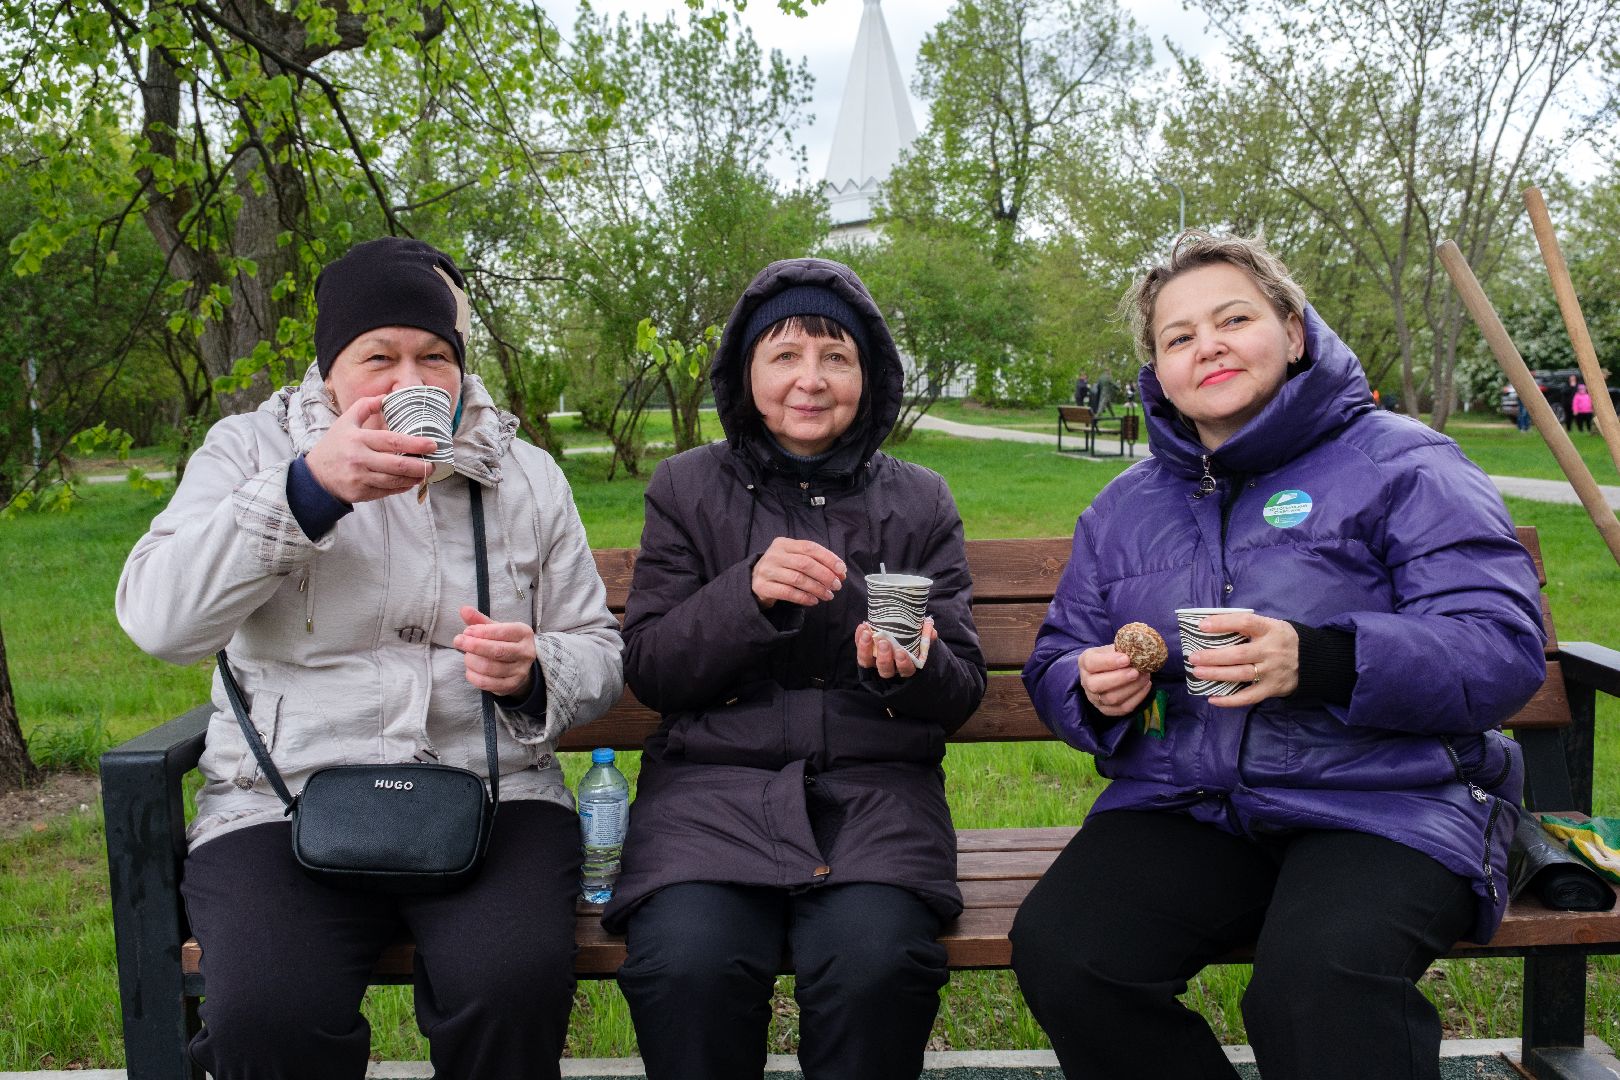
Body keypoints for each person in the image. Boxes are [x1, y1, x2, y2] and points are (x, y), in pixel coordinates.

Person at [1012, 231, 1546, 1080]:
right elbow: (1057, 658)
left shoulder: (1403, 462)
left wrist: (1322, 660)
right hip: (1192, 802)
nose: (1208, 345)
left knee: (1316, 986)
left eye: (1234, 318)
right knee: (1068, 953)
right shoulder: (1122, 508)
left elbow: (1503, 647)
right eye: (1178, 336)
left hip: (1386, 799)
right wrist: (1086, 686)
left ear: (1293, 332)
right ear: (1158, 371)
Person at [115, 238, 625, 1080]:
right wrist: (307, 489)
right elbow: (160, 619)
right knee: (270, 1011)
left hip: (494, 795)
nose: (410, 380)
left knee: (510, 985)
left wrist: (538, 671)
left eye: (434, 357)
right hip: (280, 801)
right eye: (377, 357)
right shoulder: (248, 450)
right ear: (330, 372)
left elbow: (599, 650)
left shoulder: (525, 476)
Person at [603, 258, 988, 1080]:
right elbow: (654, 671)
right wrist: (743, 597)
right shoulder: (686, 487)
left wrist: (913, 662)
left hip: (876, 797)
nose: (809, 381)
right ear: (748, 374)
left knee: (877, 967)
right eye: (784, 355)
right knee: (687, 968)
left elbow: (958, 695)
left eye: (835, 357)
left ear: (869, 376)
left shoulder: (920, 500)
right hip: (708, 798)